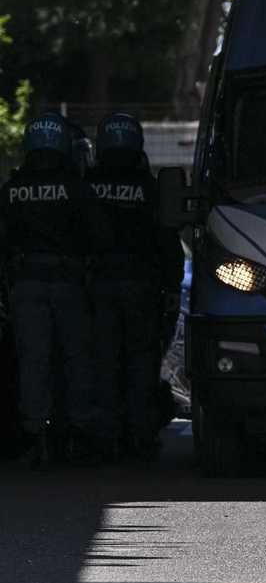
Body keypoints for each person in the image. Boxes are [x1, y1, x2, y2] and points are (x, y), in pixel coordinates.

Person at [0, 113, 104, 469]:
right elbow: (94, 236)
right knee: (76, 359)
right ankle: (77, 435)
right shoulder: (77, 188)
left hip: (26, 284)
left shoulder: (12, 190)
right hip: (69, 284)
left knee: (34, 362)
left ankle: (38, 436)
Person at [87, 113, 184, 460]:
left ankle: (104, 438)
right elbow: (169, 243)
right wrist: (172, 287)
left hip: (96, 288)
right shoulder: (150, 190)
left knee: (101, 362)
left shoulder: (86, 185)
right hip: (142, 288)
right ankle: (140, 437)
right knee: (141, 363)